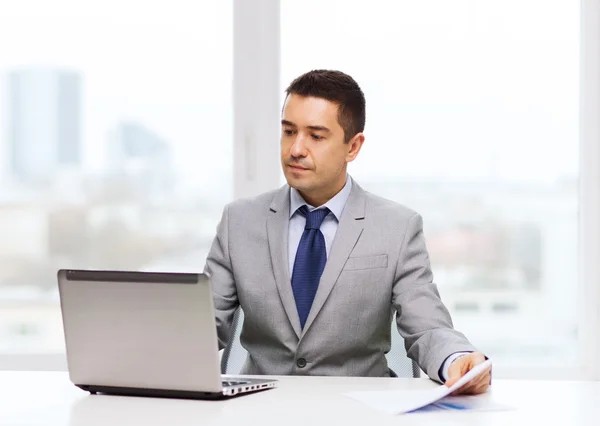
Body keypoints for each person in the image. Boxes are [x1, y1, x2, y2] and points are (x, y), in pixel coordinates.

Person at [204, 69, 491, 395]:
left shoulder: (397, 228)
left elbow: (427, 328)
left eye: (316, 136)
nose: (296, 149)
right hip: (261, 407)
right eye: (288, 131)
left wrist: (458, 359)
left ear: (352, 147)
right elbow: (202, 328)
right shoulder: (239, 221)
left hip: (361, 409)